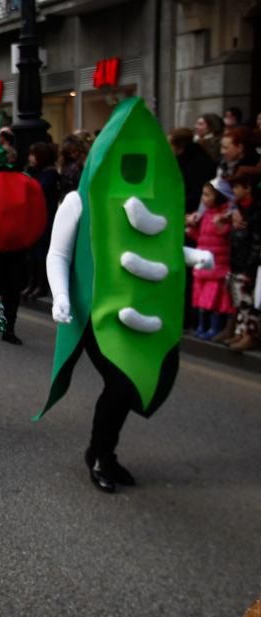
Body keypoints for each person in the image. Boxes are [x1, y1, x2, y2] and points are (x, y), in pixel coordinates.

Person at [42, 97, 215, 494]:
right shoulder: (77, 200)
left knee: (132, 384)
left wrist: (194, 256)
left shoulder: (153, 202)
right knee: (120, 385)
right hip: (96, 314)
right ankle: (101, 455)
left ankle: (105, 452)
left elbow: (160, 247)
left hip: (140, 309)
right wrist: (61, 296)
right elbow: (59, 253)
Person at [185, 179, 234, 339]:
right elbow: (200, 237)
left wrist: (220, 223)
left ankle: (214, 327)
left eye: (207, 195)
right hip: (202, 266)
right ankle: (201, 325)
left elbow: (224, 234)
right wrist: (191, 228)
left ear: (219, 197)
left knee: (213, 300)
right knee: (199, 299)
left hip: (217, 266)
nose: (203, 199)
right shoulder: (205, 215)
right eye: (203, 195)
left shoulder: (225, 216)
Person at [225, 173, 261, 352]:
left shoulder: (255, 212)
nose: (234, 190)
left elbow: (256, 242)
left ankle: (251, 334)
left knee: (251, 300)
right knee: (240, 300)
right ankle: (240, 331)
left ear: (248, 188)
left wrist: (250, 267)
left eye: (238, 186)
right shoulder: (238, 210)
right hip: (239, 260)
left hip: (251, 264)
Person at [24, 141, 60, 299]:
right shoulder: (35, 172)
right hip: (33, 217)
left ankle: (42, 285)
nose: (30, 158)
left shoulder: (50, 174)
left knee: (41, 253)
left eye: (33, 154)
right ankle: (32, 283)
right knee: (32, 254)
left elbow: (39, 190)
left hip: (46, 218)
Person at [170, 127, 218, 214]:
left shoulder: (199, 163)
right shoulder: (182, 159)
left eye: (170, 145)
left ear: (180, 147)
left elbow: (195, 194)